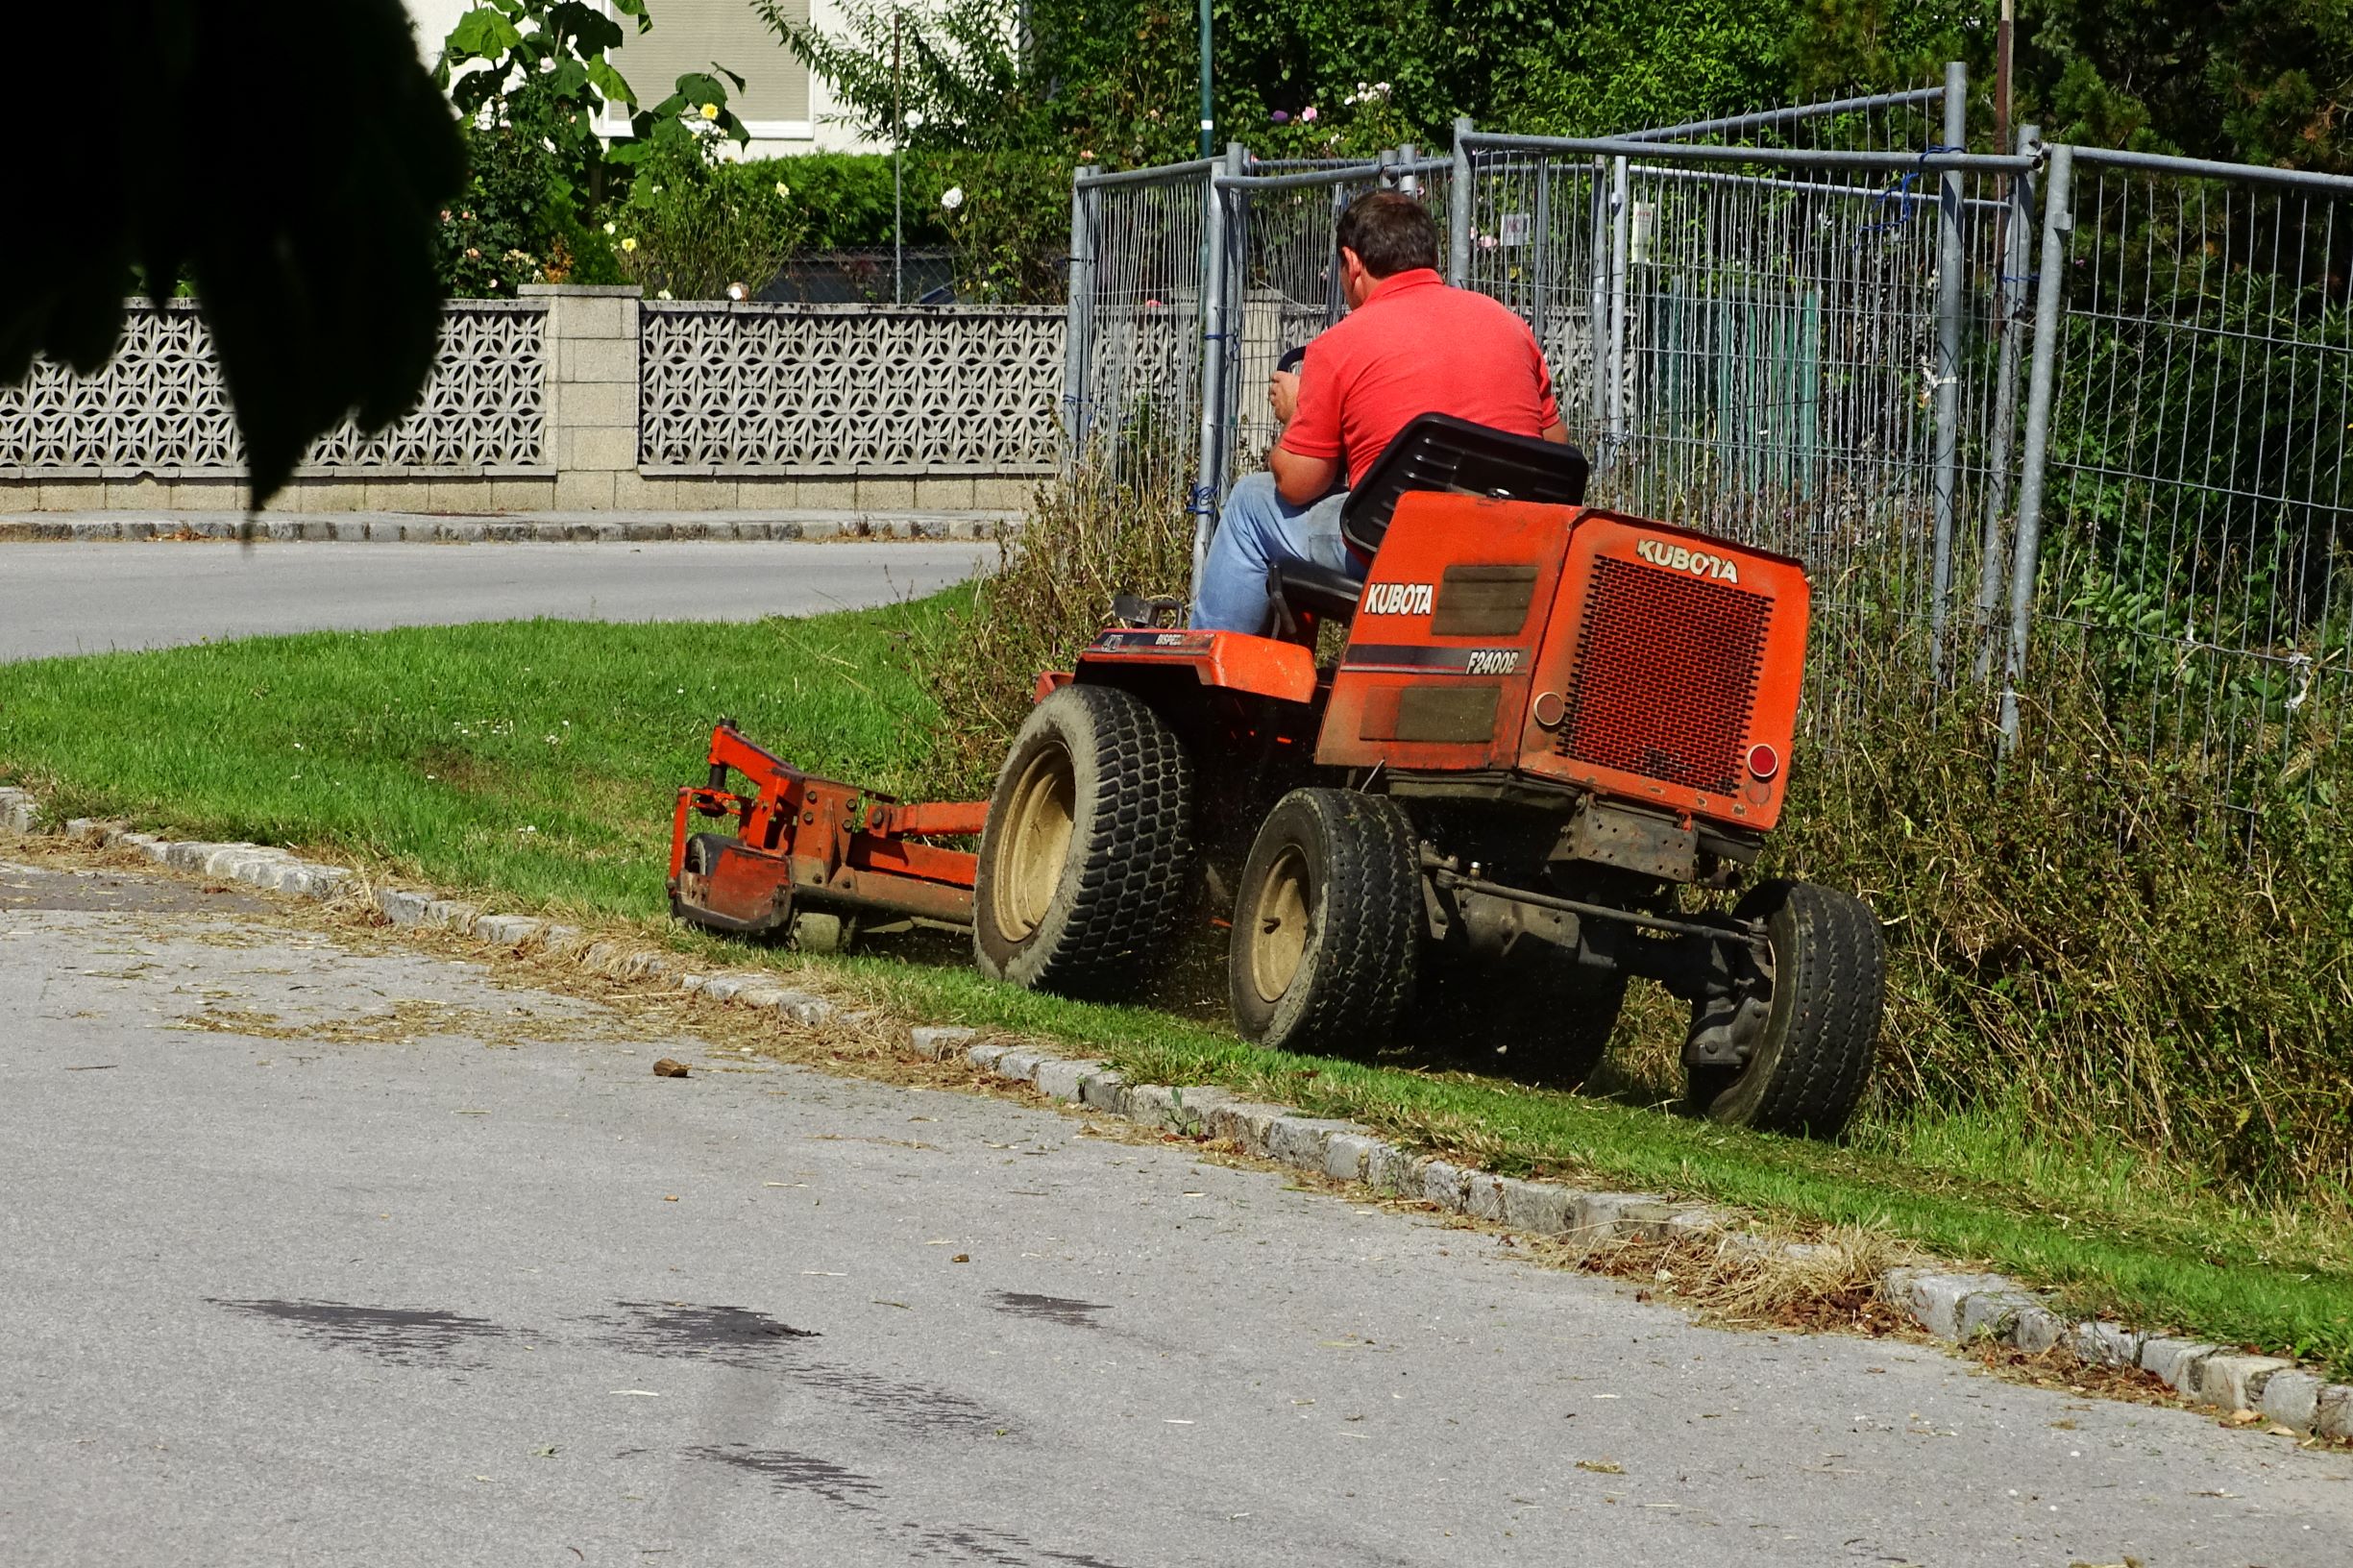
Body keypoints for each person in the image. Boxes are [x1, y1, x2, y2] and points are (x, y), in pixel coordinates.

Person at [1188, 189, 1570, 634]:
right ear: (1429, 254)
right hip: (1511, 546)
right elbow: (1553, 449)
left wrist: (1297, 412)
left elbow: (1296, 484)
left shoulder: (1341, 344)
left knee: (1250, 504)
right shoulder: (1510, 326)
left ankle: (1203, 673)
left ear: (1352, 263)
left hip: (1394, 551)